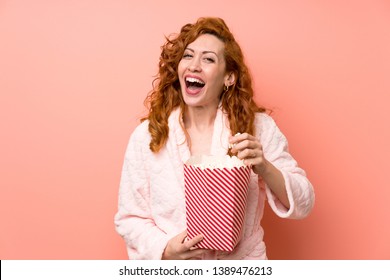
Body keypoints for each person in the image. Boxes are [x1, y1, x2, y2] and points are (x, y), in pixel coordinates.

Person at [114, 17, 315, 260]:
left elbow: (304, 202)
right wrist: (166, 250)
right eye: (188, 56)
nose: (194, 66)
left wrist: (264, 166)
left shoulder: (258, 128)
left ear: (229, 77)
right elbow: (130, 219)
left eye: (208, 59)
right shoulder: (147, 136)